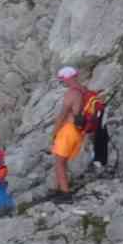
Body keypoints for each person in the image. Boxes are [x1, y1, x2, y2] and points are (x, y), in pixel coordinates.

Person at [51, 67, 89, 198]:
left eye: (62, 80)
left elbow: (62, 115)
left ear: (68, 78)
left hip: (69, 130)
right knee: (63, 161)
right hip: (78, 131)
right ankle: (57, 189)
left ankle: (65, 194)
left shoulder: (72, 93)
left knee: (59, 163)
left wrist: (54, 133)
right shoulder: (84, 90)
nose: (63, 82)